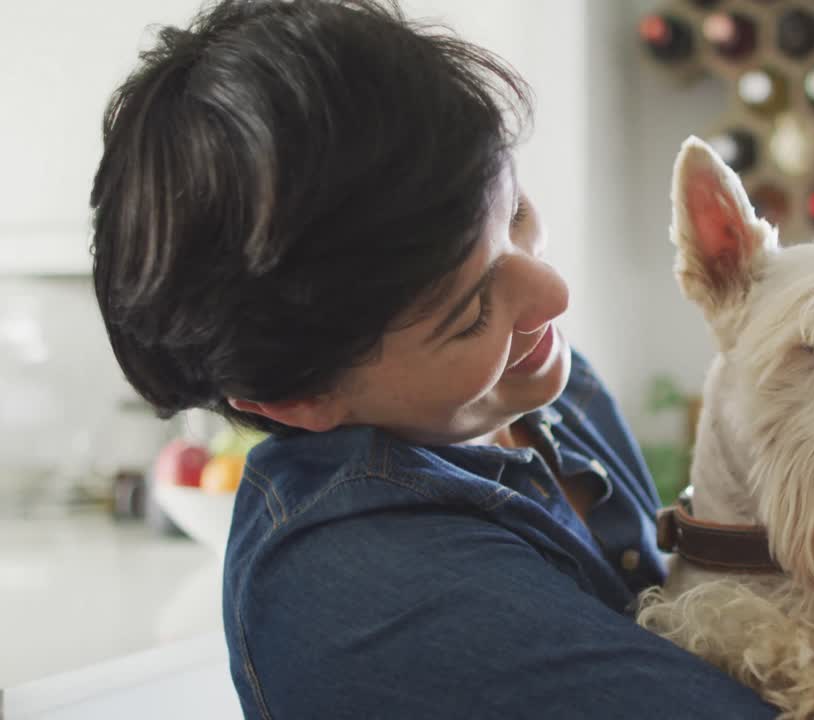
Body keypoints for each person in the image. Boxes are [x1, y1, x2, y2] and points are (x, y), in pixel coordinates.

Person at [89, 0, 777, 717]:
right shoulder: (370, 598)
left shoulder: (539, 391)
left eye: (515, 213)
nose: (554, 294)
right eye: (471, 311)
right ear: (298, 399)